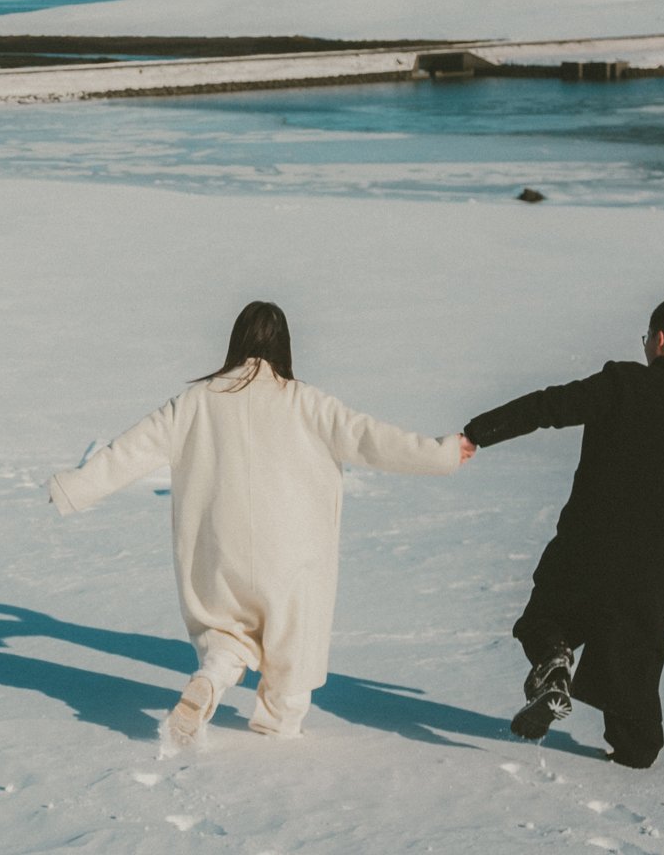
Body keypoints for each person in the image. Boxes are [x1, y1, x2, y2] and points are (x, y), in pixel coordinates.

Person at [49, 300, 471, 747]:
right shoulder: (308, 403)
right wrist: (442, 452)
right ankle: (278, 728)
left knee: (227, 634)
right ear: (285, 346)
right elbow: (374, 439)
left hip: (219, 548)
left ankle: (211, 678)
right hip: (293, 553)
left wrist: (74, 487)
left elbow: (129, 451)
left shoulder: (194, 402)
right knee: (293, 640)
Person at [463, 295, 664, 769]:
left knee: (544, 621)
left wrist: (479, 431)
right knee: (633, 674)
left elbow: (548, 405)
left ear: (658, 338)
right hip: (653, 570)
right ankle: (634, 746)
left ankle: (555, 663)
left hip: (585, 547)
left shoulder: (622, 383)